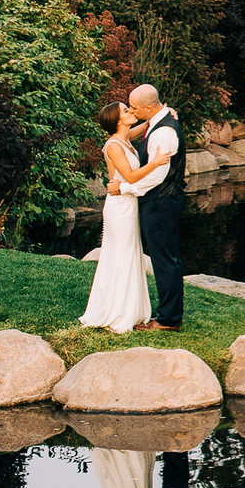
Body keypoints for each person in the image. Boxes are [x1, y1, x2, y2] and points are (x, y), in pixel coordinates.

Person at [79, 103, 168, 333]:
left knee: (130, 254)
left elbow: (142, 127)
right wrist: (155, 163)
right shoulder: (114, 146)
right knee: (121, 255)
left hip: (129, 204)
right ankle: (117, 312)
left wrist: (158, 115)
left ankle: (129, 308)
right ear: (118, 121)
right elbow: (129, 176)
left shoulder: (125, 137)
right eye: (126, 111)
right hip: (119, 207)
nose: (131, 112)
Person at [128, 82, 186, 332]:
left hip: (161, 201)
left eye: (134, 108)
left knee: (165, 260)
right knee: (166, 258)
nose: (132, 112)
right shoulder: (157, 121)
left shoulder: (163, 132)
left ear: (149, 108)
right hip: (161, 200)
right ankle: (169, 315)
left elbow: (157, 176)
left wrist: (127, 190)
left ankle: (168, 319)